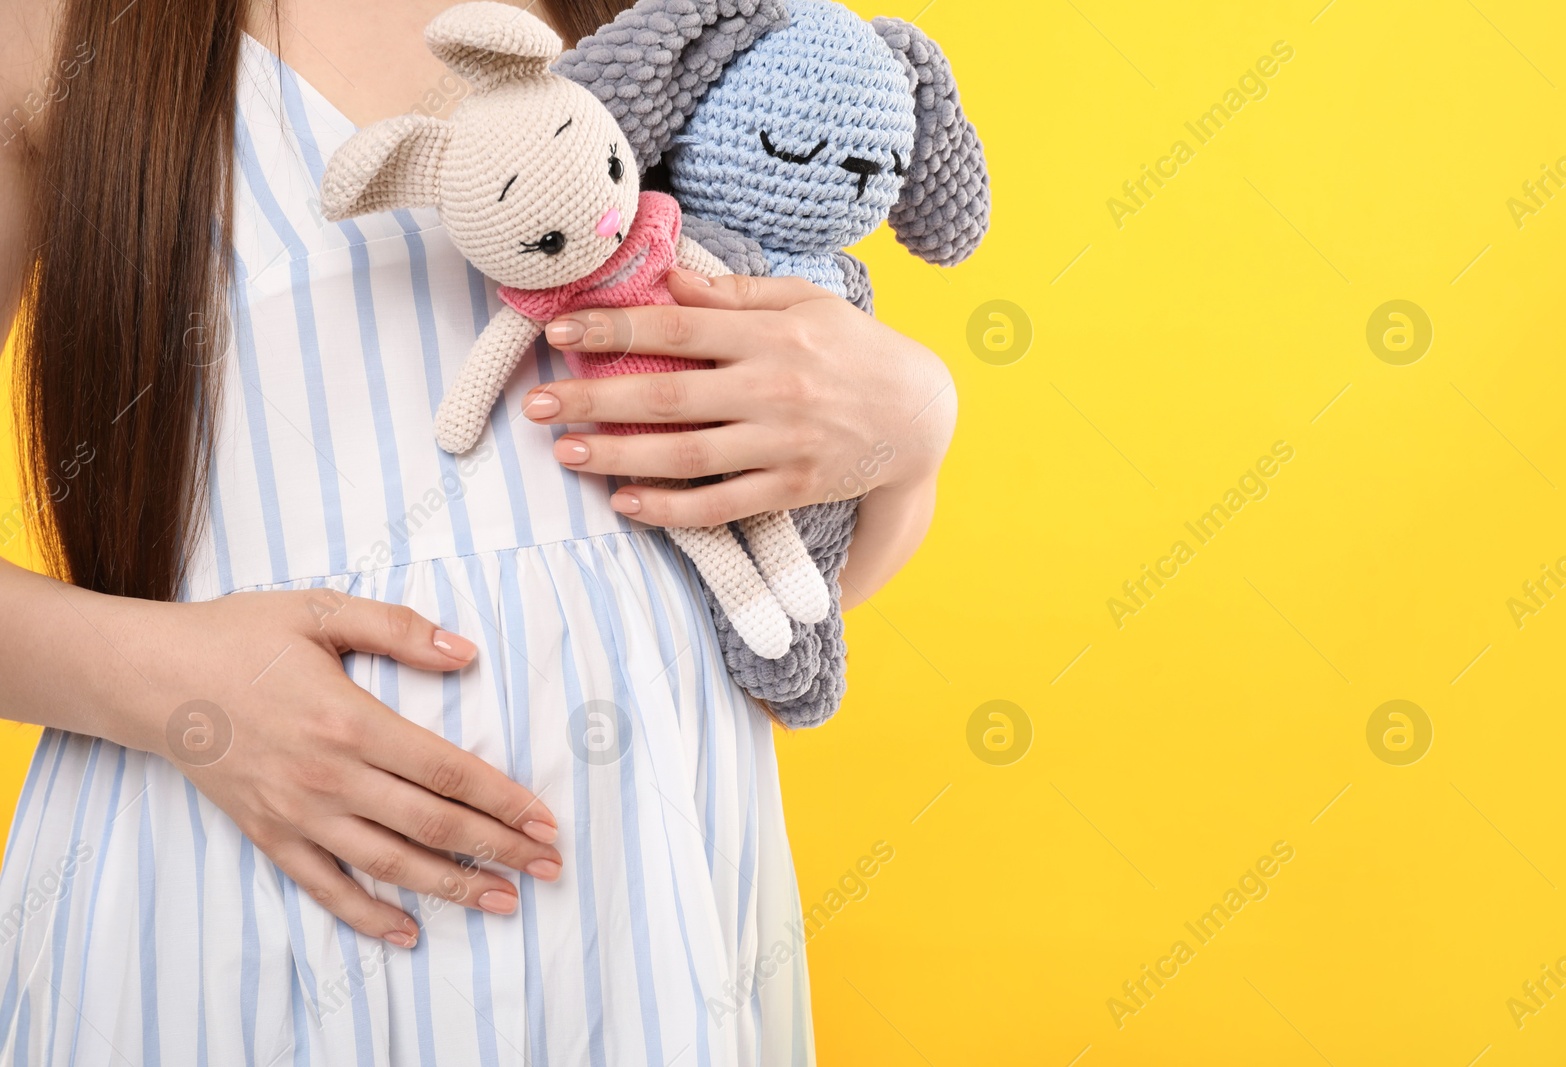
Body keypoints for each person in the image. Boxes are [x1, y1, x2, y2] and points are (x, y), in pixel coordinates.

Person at [0, 0, 956, 1062]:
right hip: (243, 885)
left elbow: (781, 597)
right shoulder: (52, 26)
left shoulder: (678, 24)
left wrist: (910, 430)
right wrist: (184, 691)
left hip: (646, 889)